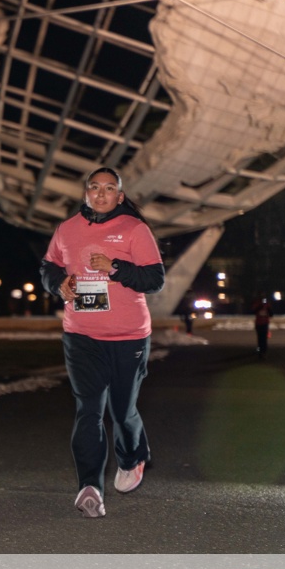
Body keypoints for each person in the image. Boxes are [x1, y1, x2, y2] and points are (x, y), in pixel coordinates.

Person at [40, 167, 165, 519]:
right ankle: (89, 486)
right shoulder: (66, 230)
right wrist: (58, 283)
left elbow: (154, 279)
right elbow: (48, 266)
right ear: (85, 193)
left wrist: (115, 267)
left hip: (129, 337)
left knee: (122, 410)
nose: (100, 193)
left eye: (109, 188)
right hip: (81, 336)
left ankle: (132, 457)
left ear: (120, 197)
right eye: (94, 187)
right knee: (89, 410)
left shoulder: (135, 229)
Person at [253, 294, 273, 358]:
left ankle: (263, 351)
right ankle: (260, 350)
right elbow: (254, 311)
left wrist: (268, 308)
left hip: (265, 324)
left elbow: (271, 314)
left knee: (264, 338)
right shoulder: (257, 304)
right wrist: (260, 306)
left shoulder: (267, 305)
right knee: (260, 338)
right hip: (259, 324)